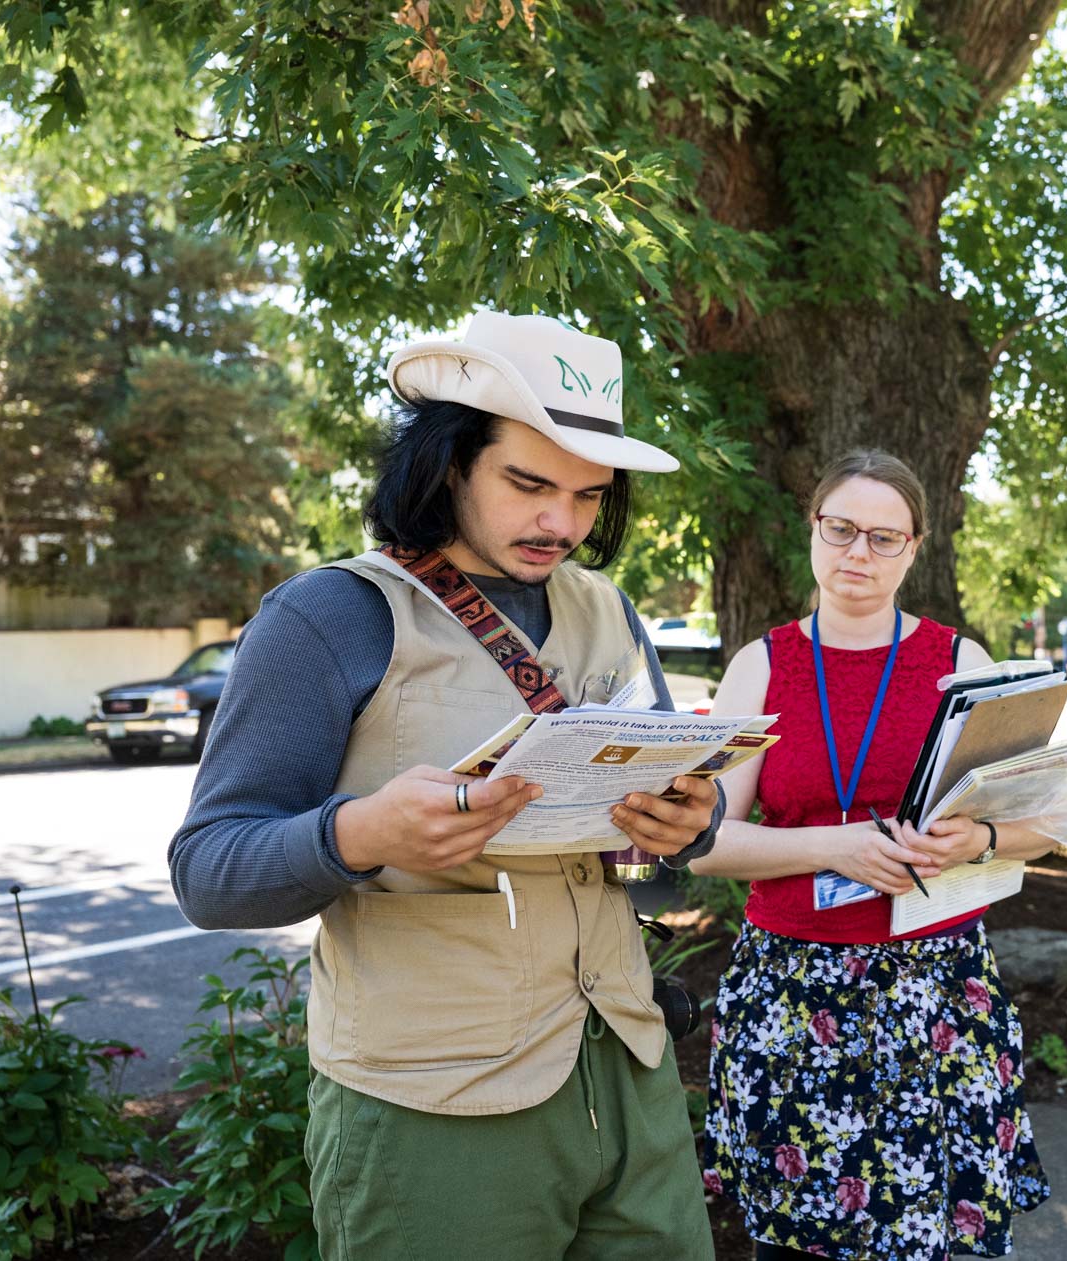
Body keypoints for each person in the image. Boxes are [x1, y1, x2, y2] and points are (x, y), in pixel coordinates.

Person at [169, 312, 723, 1260]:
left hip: (629, 1071)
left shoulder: (610, 610)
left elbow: (662, 842)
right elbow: (210, 871)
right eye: (529, 482)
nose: (564, 522)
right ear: (447, 460)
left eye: (591, 495)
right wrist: (359, 837)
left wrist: (683, 822)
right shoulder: (329, 616)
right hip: (433, 1105)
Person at [692, 450, 1052, 1261]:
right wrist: (834, 847)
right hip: (793, 997)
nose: (859, 552)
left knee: (937, 1241)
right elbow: (704, 840)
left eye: (884, 537)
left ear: (915, 548)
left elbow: (1043, 822)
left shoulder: (961, 665)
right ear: (812, 531)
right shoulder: (762, 665)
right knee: (797, 1243)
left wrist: (980, 838)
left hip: (937, 995)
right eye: (842, 529)